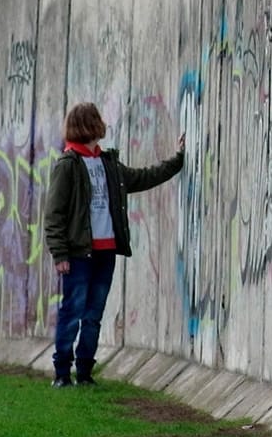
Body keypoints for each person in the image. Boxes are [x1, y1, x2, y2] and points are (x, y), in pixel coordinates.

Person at [42, 102, 186, 388]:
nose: (103, 124)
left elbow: (144, 177)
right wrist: (60, 254)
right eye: (98, 120)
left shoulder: (108, 164)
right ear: (89, 125)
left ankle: (84, 372)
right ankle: (62, 373)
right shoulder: (68, 165)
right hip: (78, 253)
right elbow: (53, 214)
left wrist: (178, 159)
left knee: (94, 313)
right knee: (73, 311)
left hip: (106, 251)